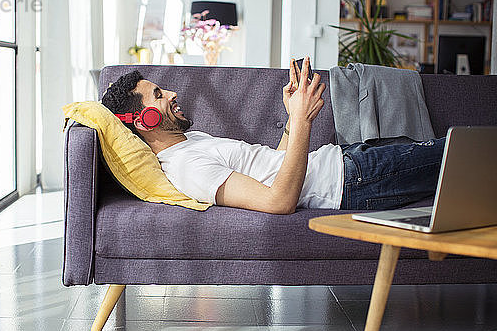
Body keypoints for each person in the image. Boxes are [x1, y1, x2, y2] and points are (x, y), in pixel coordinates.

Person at [101, 57, 445, 214]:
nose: (173, 93)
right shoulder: (187, 167)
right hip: (353, 180)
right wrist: (304, 121)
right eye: (159, 96)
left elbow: (276, 166)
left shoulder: (190, 142)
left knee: (463, 161)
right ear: (144, 120)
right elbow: (277, 202)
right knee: (464, 156)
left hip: (349, 162)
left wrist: (291, 119)